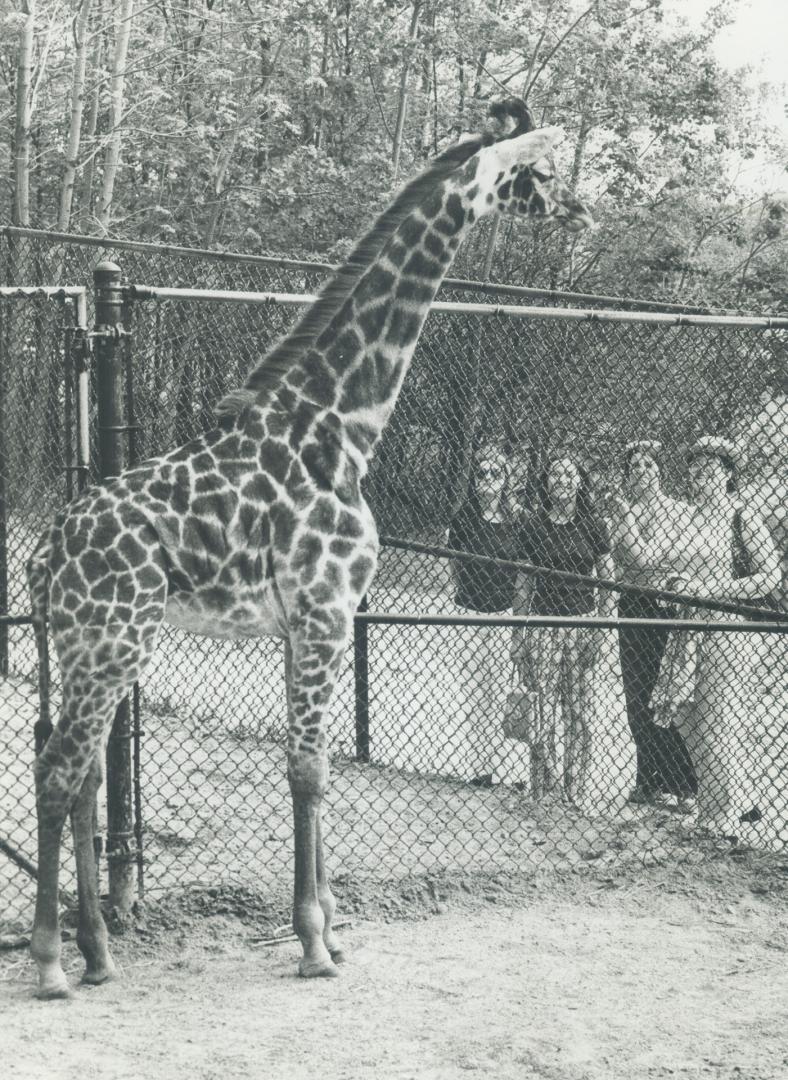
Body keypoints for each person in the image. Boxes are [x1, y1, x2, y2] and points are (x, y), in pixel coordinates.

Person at [649, 436, 781, 841]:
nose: (701, 475)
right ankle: (718, 803)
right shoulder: (685, 518)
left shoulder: (742, 517)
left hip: (727, 627)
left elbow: (769, 576)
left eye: (710, 468)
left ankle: (723, 816)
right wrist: (673, 584)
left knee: (718, 717)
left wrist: (713, 588)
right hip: (687, 624)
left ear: (727, 473)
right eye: (695, 468)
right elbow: (662, 567)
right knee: (687, 718)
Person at [510, 452, 630, 806]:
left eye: (568, 474)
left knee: (578, 713)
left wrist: (602, 628)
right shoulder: (533, 525)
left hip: (581, 624)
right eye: (555, 474)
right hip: (544, 627)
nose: (561, 480)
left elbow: (608, 581)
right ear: (546, 483)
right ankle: (542, 790)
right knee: (542, 710)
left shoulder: (594, 525)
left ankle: (574, 791)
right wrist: (519, 634)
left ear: (579, 481)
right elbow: (523, 583)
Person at [607, 440, 698, 804]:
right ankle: (649, 779)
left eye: (648, 465)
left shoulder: (676, 510)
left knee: (664, 695)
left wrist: (627, 519)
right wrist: (625, 519)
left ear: (659, 470)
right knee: (636, 695)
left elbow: (646, 559)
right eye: (634, 467)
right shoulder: (622, 513)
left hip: (663, 607)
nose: (642, 472)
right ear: (628, 475)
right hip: (631, 604)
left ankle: (683, 783)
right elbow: (619, 557)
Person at [446, 445, 519, 786]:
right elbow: (454, 564)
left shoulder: (514, 520)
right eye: (482, 473)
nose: (488, 479)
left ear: (505, 480)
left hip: (502, 612)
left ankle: (497, 764)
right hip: (470, 612)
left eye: (495, 473)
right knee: (475, 692)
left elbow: (521, 572)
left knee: (498, 691)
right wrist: (463, 593)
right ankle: (477, 766)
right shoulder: (464, 518)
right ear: (474, 480)